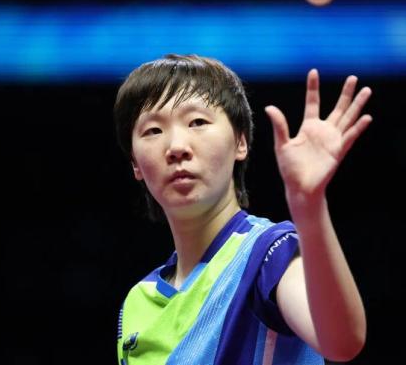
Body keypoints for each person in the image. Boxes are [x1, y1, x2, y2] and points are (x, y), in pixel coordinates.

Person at [113, 54, 371, 364]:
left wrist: (310, 207)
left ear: (240, 142)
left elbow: (341, 342)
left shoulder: (270, 255)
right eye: (153, 130)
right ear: (135, 164)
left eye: (197, 122)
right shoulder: (138, 301)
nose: (177, 147)